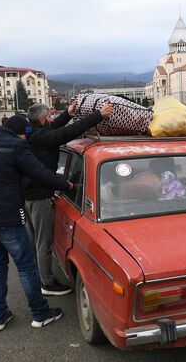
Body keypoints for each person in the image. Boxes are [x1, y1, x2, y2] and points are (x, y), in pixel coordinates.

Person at [0, 116, 73, 332]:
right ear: (20, 133)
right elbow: (40, 173)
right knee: (26, 266)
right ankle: (40, 314)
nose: (27, 138)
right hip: (9, 216)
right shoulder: (16, 146)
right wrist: (66, 184)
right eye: (25, 134)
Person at [23, 101, 113, 296]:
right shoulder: (41, 135)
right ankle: (46, 283)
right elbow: (63, 134)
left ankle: (40, 274)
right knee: (42, 241)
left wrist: (68, 113)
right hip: (38, 195)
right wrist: (98, 115)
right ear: (41, 119)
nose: (51, 119)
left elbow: (55, 130)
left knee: (35, 240)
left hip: (30, 193)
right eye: (49, 116)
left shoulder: (34, 131)